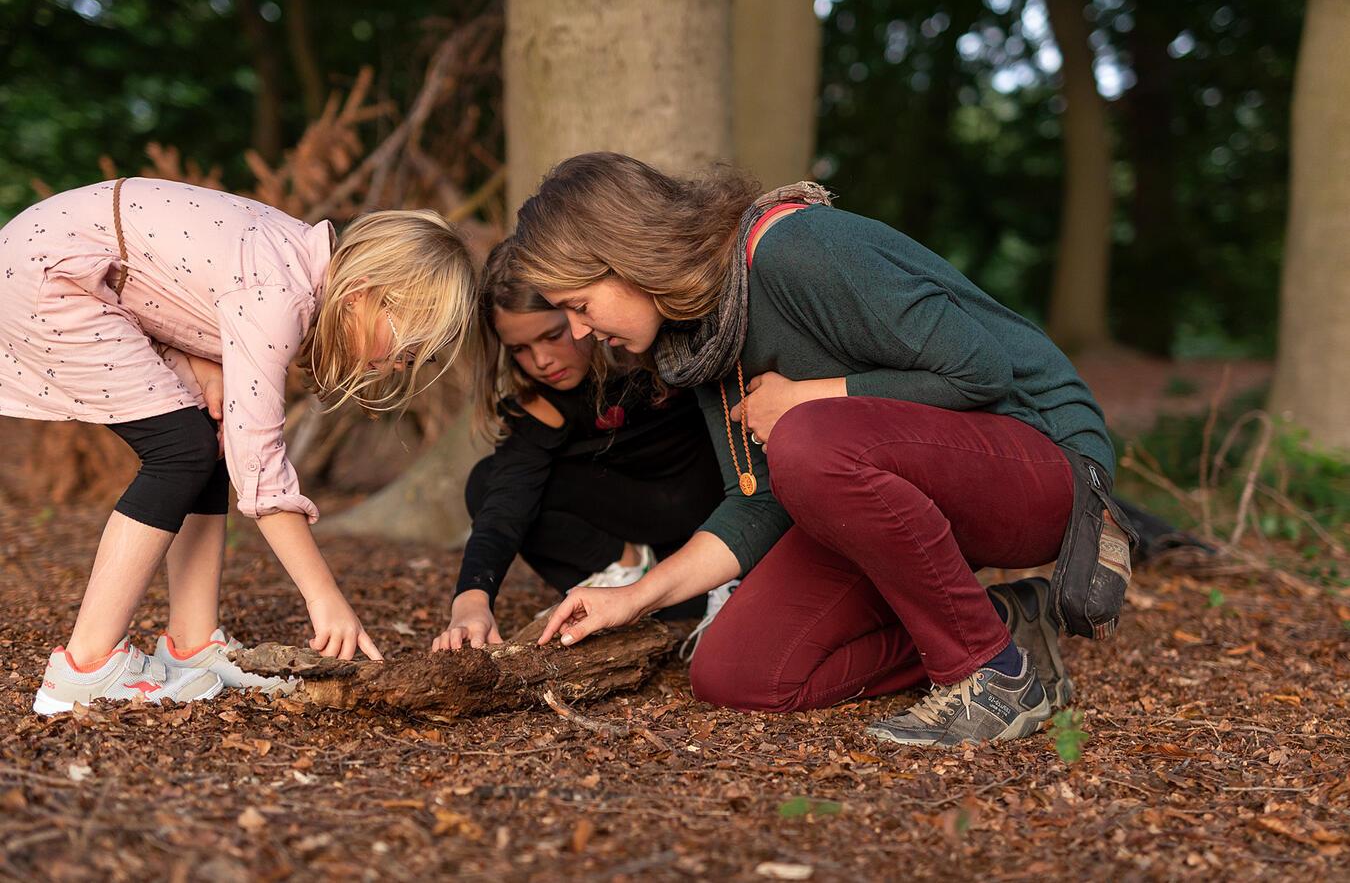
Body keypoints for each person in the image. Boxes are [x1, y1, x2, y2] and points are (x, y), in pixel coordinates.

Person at [512, 151, 1117, 747]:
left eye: (579, 305)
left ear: (629, 258)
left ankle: (994, 676)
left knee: (809, 439)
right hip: (877, 475)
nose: (581, 333)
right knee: (739, 672)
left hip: (1044, 464)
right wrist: (635, 597)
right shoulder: (699, 337)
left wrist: (808, 398)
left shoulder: (796, 248)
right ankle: (1006, 625)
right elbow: (758, 501)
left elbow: (981, 372)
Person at [2, 178, 474, 714]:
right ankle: (83, 667)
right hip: (52, 276)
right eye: (404, 346)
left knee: (202, 442)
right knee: (179, 451)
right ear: (364, 293)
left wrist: (205, 366)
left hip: (72, 265)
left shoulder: (296, 262)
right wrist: (325, 598)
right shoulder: (283, 294)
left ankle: (193, 646)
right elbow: (261, 467)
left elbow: (182, 283)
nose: (396, 365)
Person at [430, 240, 723, 652]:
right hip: (635, 524)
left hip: (709, 514)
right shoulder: (542, 401)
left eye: (552, 335)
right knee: (490, 482)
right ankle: (622, 570)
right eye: (520, 350)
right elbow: (504, 506)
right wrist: (472, 599)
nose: (541, 360)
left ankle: (712, 585)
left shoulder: (649, 349)